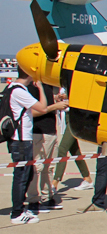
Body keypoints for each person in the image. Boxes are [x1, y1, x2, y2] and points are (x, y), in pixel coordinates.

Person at [6, 67, 68, 224]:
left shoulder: (18, 88)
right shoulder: (21, 90)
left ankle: (22, 208)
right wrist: (41, 89)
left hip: (27, 138)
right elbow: (40, 108)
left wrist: (53, 97)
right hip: (23, 139)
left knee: (28, 174)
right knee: (24, 175)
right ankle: (19, 212)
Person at [26, 81, 61, 211]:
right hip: (39, 132)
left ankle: (47, 196)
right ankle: (33, 200)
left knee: (50, 167)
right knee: (37, 168)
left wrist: (56, 99)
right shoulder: (32, 85)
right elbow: (32, 112)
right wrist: (54, 106)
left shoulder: (47, 84)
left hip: (51, 131)